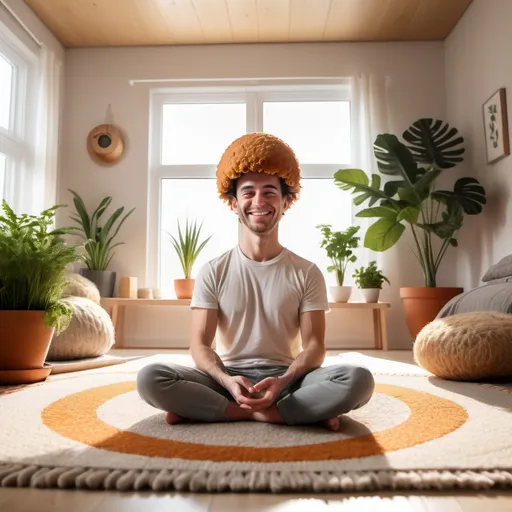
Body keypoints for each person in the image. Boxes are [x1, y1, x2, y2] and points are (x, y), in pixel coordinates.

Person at [137, 133, 375, 431]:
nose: (259, 201)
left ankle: (219, 411)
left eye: (269, 192)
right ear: (234, 204)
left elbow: (314, 346)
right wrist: (226, 380)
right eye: (248, 192)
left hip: (290, 379)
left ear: (286, 201)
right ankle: (285, 413)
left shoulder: (307, 271)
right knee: (150, 377)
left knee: (359, 380)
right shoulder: (213, 270)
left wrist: (284, 379)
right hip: (226, 379)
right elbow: (199, 345)